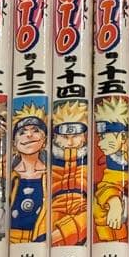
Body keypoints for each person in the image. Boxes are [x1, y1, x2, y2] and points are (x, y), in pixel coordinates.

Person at [8, 102, 48, 243]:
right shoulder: (9, 176)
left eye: (35, 130)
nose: (29, 135)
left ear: (44, 140)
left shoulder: (52, 175)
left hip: (41, 239)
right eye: (22, 132)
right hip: (11, 240)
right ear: (14, 143)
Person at [50, 100, 88, 246]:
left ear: (84, 136)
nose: (70, 142)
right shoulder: (49, 161)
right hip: (53, 211)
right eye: (65, 137)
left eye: (76, 136)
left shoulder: (90, 160)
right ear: (56, 137)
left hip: (82, 209)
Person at [93, 96, 129, 243]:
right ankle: (112, 245)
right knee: (99, 206)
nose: (99, 144)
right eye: (100, 137)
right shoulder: (115, 159)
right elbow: (109, 183)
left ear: (123, 136)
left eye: (104, 137)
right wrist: (113, 200)